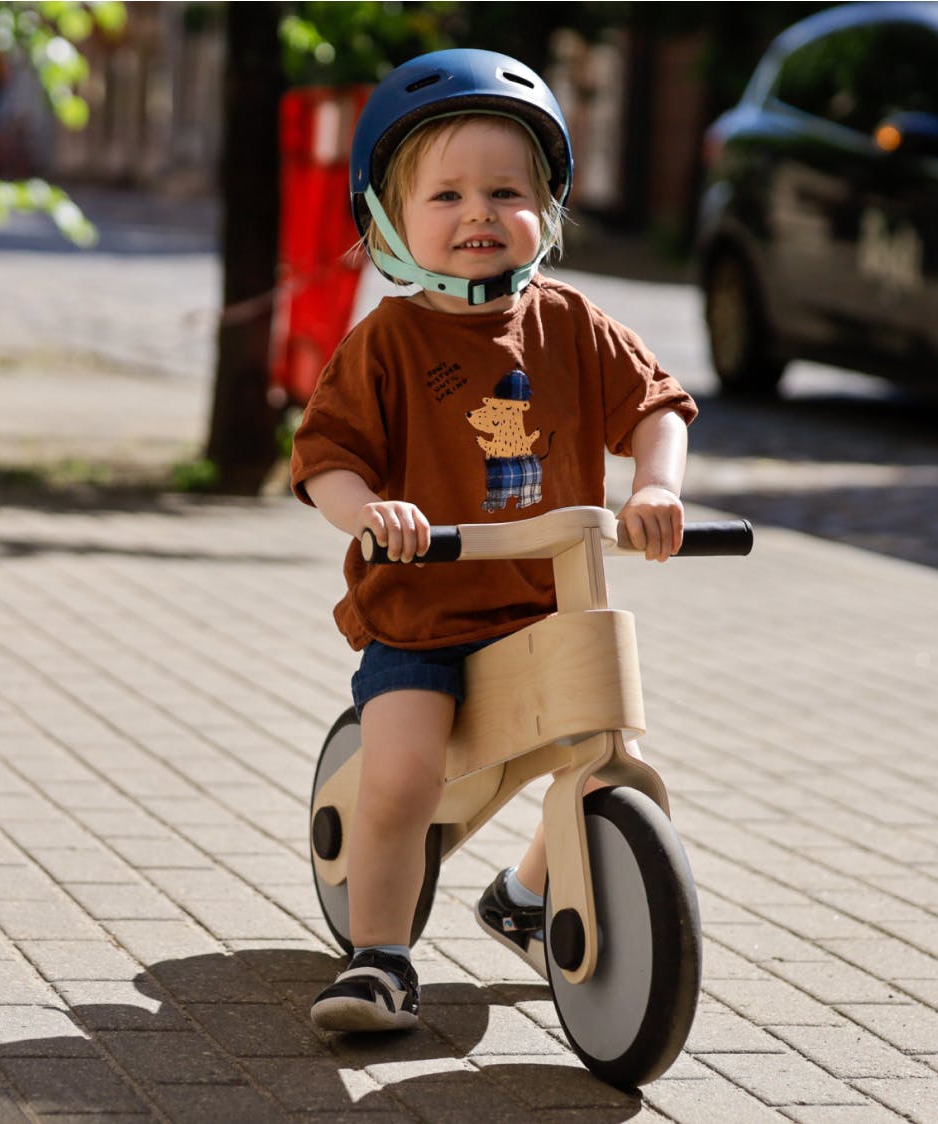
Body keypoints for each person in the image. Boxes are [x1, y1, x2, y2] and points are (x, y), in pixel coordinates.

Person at [290, 49, 697, 1033]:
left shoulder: (569, 324)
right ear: (391, 220)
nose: (479, 212)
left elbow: (657, 408)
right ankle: (380, 954)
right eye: (448, 193)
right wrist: (369, 515)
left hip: (548, 600)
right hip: (424, 612)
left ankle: (523, 896)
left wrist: (655, 482)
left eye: (506, 190)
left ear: (546, 206)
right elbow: (328, 458)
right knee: (402, 773)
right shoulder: (386, 344)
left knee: (617, 754)